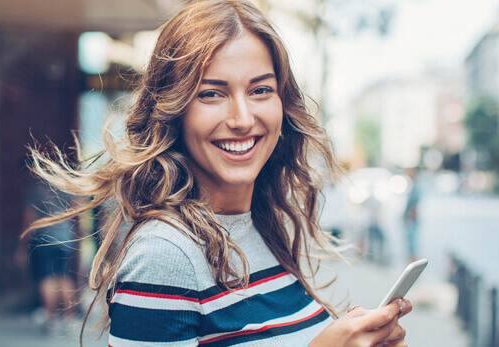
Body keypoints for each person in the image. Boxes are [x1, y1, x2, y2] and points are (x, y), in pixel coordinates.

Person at [25, 0, 413, 345]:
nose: (243, 119)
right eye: (211, 93)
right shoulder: (167, 253)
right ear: (174, 109)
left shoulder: (265, 225)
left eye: (261, 90)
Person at [16, 179, 79, 334]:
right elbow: (76, 210)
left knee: (47, 278)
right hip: (65, 238)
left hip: (45, 240)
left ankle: (52, 320)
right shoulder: (64, 184)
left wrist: (23, 245)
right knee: (65, 278)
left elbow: (28, 218)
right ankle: (70, 320)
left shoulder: (35, 188)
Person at [403, 168, 421, 261]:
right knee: (410, 243)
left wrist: (410, 214)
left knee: (412, 244)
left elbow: (414, 204)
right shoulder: (413, 186)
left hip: (412, 219)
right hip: (410, 219)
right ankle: (411, 262)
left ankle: (413, 263)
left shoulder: (416, 187)